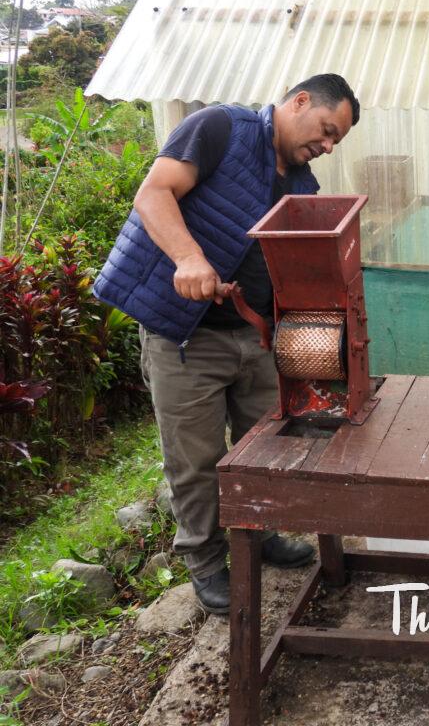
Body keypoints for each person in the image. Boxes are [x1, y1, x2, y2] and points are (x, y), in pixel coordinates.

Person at [93, 74, 360, 614]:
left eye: (337, 142)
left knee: (263, 445)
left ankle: (258, 536)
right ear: (300, 102)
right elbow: (154, 192)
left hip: (252, 334)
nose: (328, 146)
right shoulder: (220, 127)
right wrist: (190, 259)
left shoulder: (302, 185)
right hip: (184, 336)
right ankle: (206, 561)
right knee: (196, 460)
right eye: (328, 130)